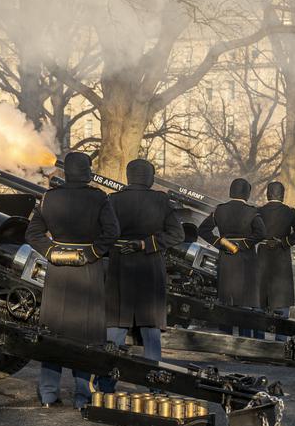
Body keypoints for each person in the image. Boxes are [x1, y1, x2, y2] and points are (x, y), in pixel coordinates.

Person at [25, 152, 120, 409]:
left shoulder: (49, 198)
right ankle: (82, 396)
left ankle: (48, 394)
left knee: (53, 332)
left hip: (57, 271)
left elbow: (32, 232)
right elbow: (112, 232)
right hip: (88, 271)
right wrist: (91, 253)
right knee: (86, 336)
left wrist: (52, 251)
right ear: (87, 171)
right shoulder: (99, 197)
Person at [102, 159, 184, 391]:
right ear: (150, 177)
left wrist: (118, 246)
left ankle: (106, 385)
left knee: (116, 328)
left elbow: (104, 234)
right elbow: (177, 235)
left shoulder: (113, 200)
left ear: (128, 177)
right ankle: (155, 386)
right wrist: (146, 244)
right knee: (151, 331)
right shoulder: (161, 201)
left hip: (120, 268)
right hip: (150, 268)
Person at [198, 178, 265, 337]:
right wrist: (243, 245)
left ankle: (225, 340)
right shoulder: (252, 211)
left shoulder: (219, 210)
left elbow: (203, 230)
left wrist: (221, 244)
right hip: (246, 261)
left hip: (226, 261)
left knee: (226, 303)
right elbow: (261, 233)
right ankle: (245, 341)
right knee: (245, 304)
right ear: (247, 194)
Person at [257, 182, 295, 340]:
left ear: (268, 194)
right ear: (282, 195)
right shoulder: (290, 212)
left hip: (263, 256)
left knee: (260, 297)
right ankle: (280, 340)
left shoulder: (258, 211)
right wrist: (284, 242)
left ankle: (258, 340)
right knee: (281, 296)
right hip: (281, 257)